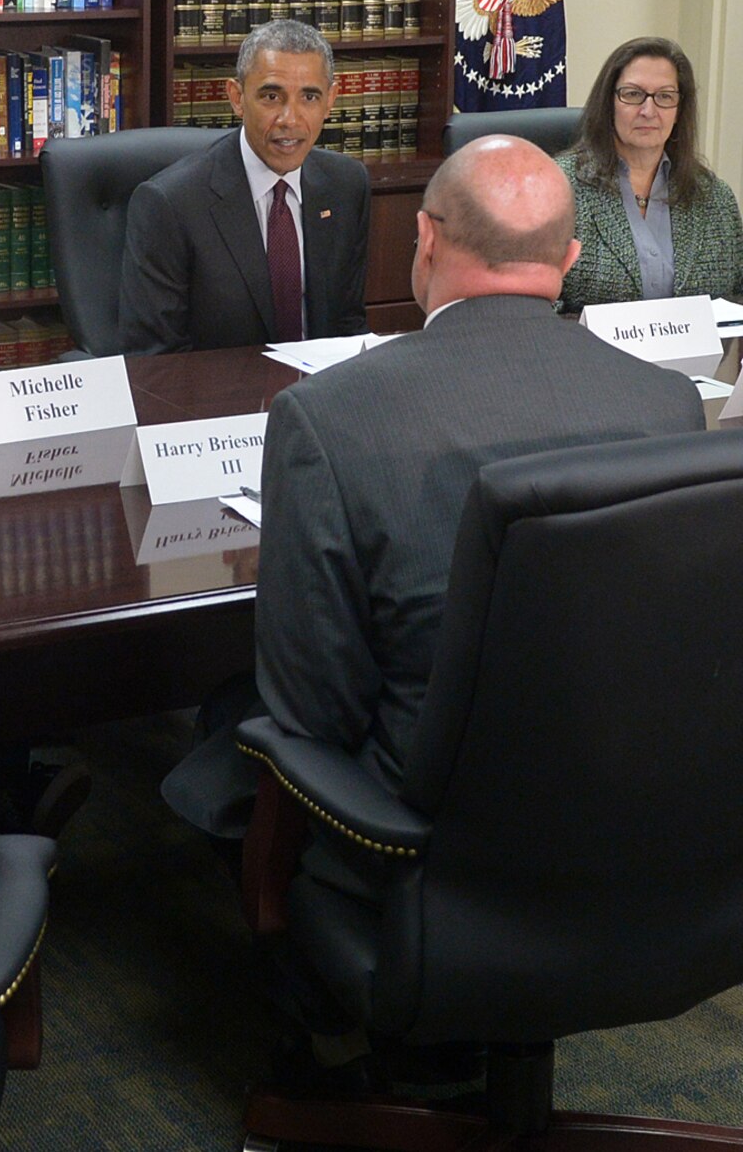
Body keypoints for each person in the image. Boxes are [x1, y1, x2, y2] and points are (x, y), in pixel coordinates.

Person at [160, 135, 704, 843]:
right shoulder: (669, 402)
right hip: (639, 820)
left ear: (424, 239)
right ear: (569, 261)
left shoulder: (327, 418)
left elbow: (313, 709)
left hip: (423, 835)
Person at [120, 19, 372, 354]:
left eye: (309, 97)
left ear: (331, 100)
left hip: (315, 400)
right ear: (237, 98)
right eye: (271, 96)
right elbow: (155, 361)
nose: (290, 119)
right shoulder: (170, 204)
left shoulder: (346, 185)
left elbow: (348, 328)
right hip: (216, 401)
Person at [555, 36, 743, 312]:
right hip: (586, 354)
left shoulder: (714, 197)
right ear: (609, 103)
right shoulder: (560, 189)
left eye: (665, 97)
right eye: (633, 94)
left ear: (679, 110)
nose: (648, 111)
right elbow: (533, 308)